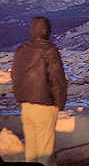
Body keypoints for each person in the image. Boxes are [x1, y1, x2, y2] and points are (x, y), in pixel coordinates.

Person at [11, 16, 67, 166]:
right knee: (44, 150)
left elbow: (15, 76)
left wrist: (20, 97)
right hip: (45, 105)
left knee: (31, 148)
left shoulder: (21, 50)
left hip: (26, 106)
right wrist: (59, 104)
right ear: (47, 31)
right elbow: (57, 80)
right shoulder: (49, 50)